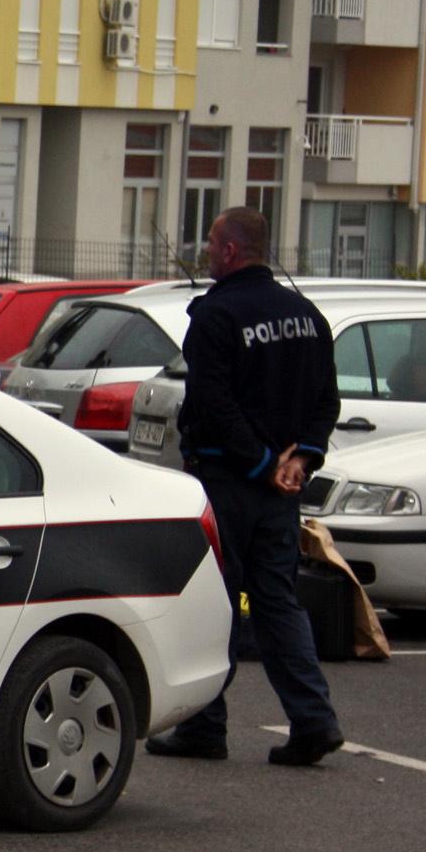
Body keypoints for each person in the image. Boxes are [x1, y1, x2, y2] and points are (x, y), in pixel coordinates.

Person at [149, 206, 345, 767]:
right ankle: (314, 720)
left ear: (231, 251)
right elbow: (325, 403)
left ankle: (205, 725)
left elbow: (215, 404)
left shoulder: (216, 317)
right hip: (281, 490)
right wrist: (300, 461)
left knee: (215, 602)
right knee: (278, 602)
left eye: (212, 244)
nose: (206, 252)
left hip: (229, 482)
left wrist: (260, 464)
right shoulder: (306, 315)